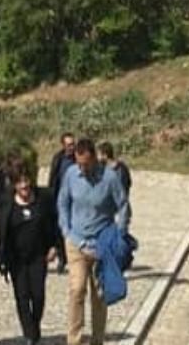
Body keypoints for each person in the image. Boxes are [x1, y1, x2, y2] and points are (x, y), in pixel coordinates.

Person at [57, 138, 130, 345]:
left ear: (94, 159)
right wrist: (66, 230)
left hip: (101, 244)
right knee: (77, 289)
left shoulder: (109, 178)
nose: (82, 168)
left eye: (86, 163)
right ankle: (74, 340)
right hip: (76, 242)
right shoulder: (71, 175)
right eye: (79, 163)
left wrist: (120, 233)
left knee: (99, 296)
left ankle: (97, 340)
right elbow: (63, 202)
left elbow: (123, 205)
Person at [0, 172, 60, 345]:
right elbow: (1, 233)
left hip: (39, 256)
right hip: (17, 259)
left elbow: (53, 224)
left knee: (38, 295)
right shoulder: (7, 204)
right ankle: (30, 334)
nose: (24, 186)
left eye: (26, 180)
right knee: (22, 297)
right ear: (14, 185)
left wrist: (54, 246)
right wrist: (0, 257)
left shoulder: (42, 200)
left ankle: (34, 326)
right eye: (19, 182)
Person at [47, 132, 77, 273]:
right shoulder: (58, 159)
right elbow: (52, 178)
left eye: (73, 144)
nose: (72, 147)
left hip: (76, 200)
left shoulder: (79, 158)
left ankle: (74, 258)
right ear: (63, 145)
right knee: (59, 230)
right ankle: (62, 258)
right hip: (60, 199)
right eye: (69, 144)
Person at [97, 141, 132, 223]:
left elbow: (125, 188)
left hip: (119, 211)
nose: (97, 157)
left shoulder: (121, 169)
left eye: (98, 154)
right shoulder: (101, 168)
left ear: (105, 155)